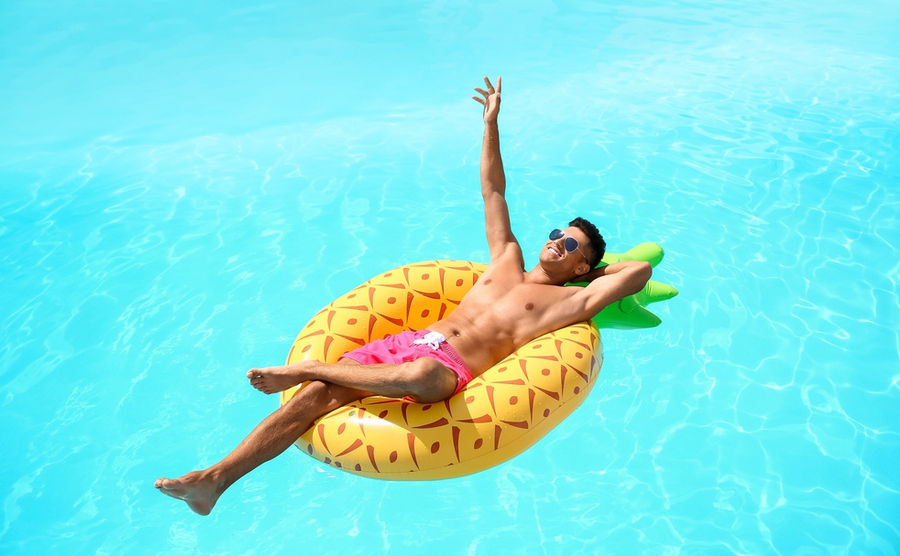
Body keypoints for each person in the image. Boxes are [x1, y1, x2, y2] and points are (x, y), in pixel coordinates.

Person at [155, 76, 652, 515]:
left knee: (420, 372)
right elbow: (494, 191)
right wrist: (491, 123)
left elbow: (639, 269)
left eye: (569, 245)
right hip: (411, 344)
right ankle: (214, 480)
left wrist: (597, 270)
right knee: (313, 400)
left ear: (582, 267)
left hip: (446, 371)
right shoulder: (505, 258)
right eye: (555, 233)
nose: (554, 243)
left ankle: (304, 368)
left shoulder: (569, 304)